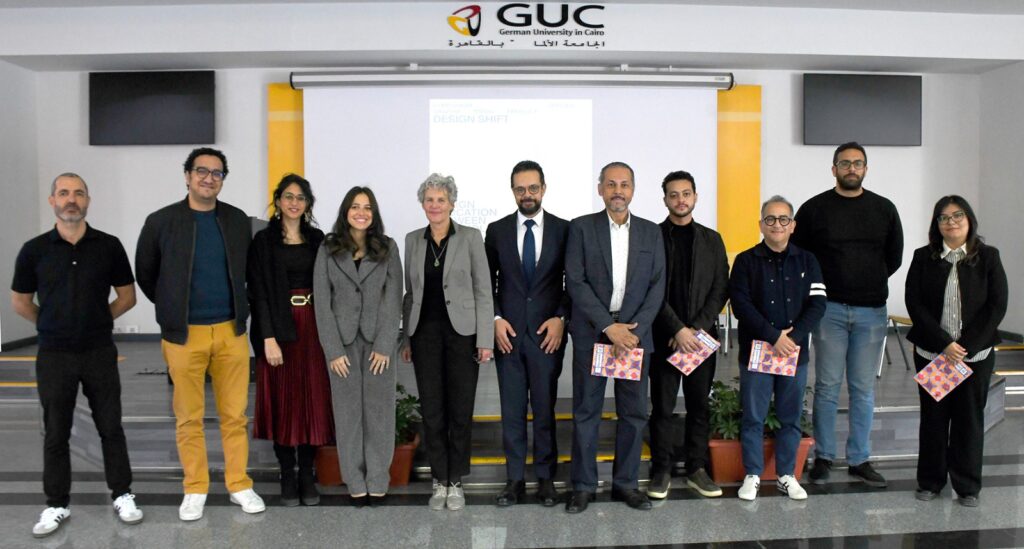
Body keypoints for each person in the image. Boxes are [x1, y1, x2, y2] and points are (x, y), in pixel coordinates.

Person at [135, 147, 264, 521]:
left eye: (217, 173)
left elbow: (249, 271)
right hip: (183, 335)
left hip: (230, 331)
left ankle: (239, 484)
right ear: (187, 175)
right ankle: (195, 488)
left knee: (235, 415)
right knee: (188, 417)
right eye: (202, 171)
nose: (209, 178)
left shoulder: (236, 220)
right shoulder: (161, 221)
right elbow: (146, 274)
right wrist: (172, 306)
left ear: (223, 179)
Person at [12, 173, 144, 538]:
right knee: (56, 432)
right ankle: (56, 504)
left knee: (110, 427)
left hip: (99, 351)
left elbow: (127, 297)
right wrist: (51, 324)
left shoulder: (109, 246)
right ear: (52, 200)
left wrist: (98, 321)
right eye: (64, 193)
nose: (72, 199)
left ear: (88, 200)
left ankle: (122, 494)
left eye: (79, 193)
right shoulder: (34, 250)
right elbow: (20, 301)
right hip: (54, 354)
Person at [792, 142, 903, 488]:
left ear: (865, 169)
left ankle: (859, 459)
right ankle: (824, 456)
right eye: (844, 163)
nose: (851, 168)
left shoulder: (884, 209)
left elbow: (894, 257)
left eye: (857, 163)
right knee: (826, 386)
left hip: (872, 311)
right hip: (829, 311)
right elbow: (801, 257)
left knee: (863, 389)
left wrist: (867, 279)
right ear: (834, 169)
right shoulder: (814, 209)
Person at [564, 162, 666, 513]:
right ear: (600, 189)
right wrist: (609, 327)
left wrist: (632, 331)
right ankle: (583, 486)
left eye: (624, 184)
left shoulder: (651, 232)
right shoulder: (581, 228)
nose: (617, 191)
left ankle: (626, 484)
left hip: (635, 337)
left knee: (634, 413)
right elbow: (575, 281)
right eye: (611, 184)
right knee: (586, 412)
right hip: (594, 333)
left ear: (633, 190)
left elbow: (657, 286)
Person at [905, 196, 1007, 507]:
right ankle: (930, 482)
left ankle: (968, 487)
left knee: (969, 421)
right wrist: (944, 345)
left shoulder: (988, 256)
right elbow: (914, 304)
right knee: (934, 420)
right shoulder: (923, 257)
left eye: (957, 215)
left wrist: (965, 347)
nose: (951, 222)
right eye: (944, 217)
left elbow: (997, 306)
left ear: (969, 219)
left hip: (974, 357)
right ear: (936, 224)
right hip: (934, 355)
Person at [400, 173, 494, 511]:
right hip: (424, 336)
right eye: (429, 200)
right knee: (432, 410)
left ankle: (456, 481)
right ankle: (439, 480)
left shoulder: (470, 237)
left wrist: (485, 338)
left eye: (441, 200)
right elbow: (410, 293)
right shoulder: (413, 240)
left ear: (452, 204)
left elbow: (484, 290)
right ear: (422, 204)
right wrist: (406, 338)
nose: (435, 205)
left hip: (462, 336)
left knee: (460, 411)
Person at [484, 160, 570, 507]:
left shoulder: (564, 230)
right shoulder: (497, 230)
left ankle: (546, 480)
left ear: (543, 189)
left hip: (547, 336)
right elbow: (485, 282)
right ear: (513, 191)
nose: (527, 194)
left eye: (533, 188)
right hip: (507, 336)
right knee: (512, 412)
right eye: (520, 189)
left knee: (545, 411)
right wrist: (494, 318)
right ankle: (515, 480)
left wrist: (562, 317)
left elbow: (575, 281)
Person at [730, 196, 826, 501]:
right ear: (761, 224)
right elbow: (740, 305)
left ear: (793, 225)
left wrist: (792, 338)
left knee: (790, 417)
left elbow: (818, 303)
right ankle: (753, 474)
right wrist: (774, 336)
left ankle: (787, 475)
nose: (777, 225)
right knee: (753, 417)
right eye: (770, 219)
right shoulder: (745, 261)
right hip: (757, 352)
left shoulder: (808, 261)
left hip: (793, 354)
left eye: (783, 219)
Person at [248, 174, 335, 507]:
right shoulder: (263, 241)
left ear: (308, 203)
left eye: (300, 197)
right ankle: (287, 473)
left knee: (312, 399)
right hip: (279, 327)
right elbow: (258, 292)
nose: (294, 203)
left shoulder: (318, 239)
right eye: (288, 196)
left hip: (314, 326)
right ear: (278, 200)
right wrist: (268, 337)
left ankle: (307, 474)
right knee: (284, 401)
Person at [314, 186, 403, 508]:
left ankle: (378, 480)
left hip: (378, 345)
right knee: (348, 415)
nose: (361, 212)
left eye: (367, 207)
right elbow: (322, 302)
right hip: (342, 345)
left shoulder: (388, 247)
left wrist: (385, 345)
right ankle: (354, 480)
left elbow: (393, 299)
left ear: (374, 213)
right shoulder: (328, 248)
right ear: (346, 211)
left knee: (379, 414)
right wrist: (333, 350)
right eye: (355, 206)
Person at [647, 170, 730, 499]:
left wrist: (694, 329)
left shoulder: (712, 239)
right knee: (662, 408)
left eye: (686, 194)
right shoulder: (652, 237)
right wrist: (677, 329)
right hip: (664, 337)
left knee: (699, 406)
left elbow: (721, 287)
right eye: (673, 194)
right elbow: (650, 288)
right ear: (665, 199)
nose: (680, 200)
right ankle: (661, 470)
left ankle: (697, 468)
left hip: (700, 341)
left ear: (695, 197)